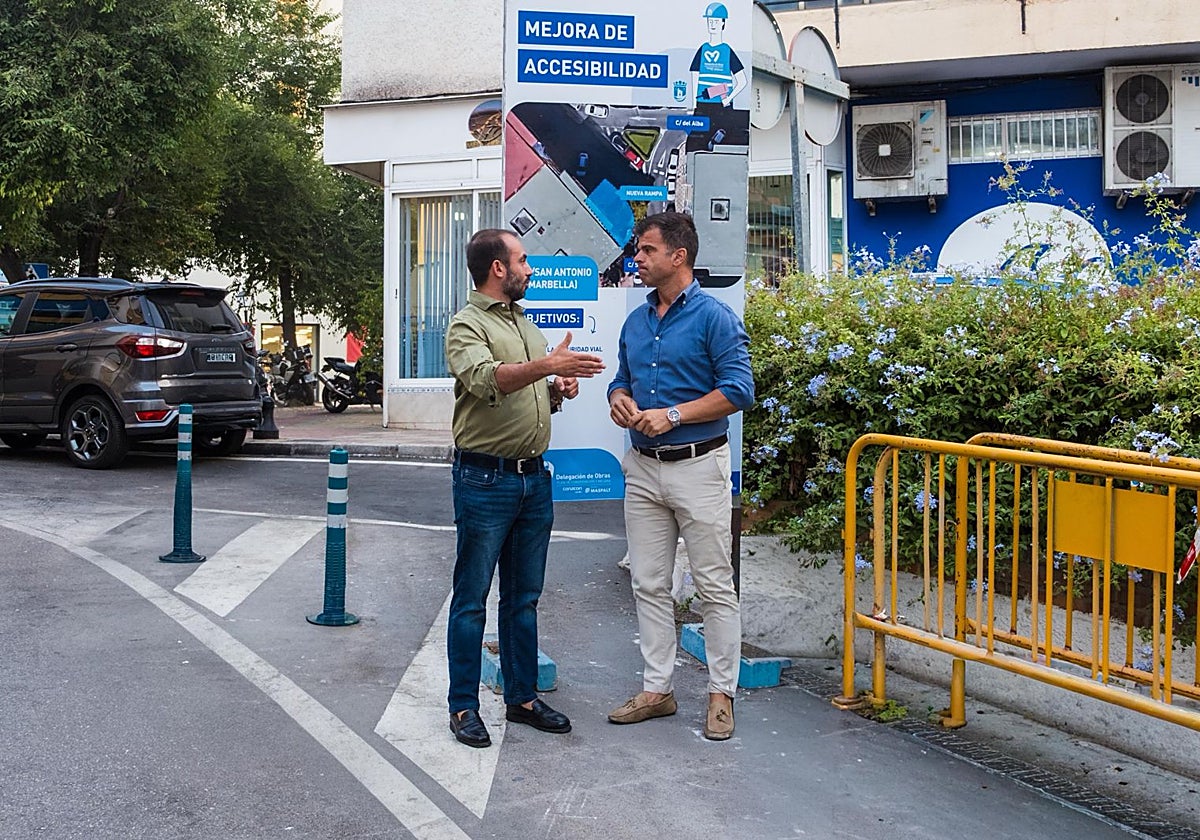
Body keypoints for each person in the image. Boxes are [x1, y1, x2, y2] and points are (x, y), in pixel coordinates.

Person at [443, 228, 606, 748]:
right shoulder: (466, 326)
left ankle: (523, 698)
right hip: (484, 478)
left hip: (533, 479)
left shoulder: (525, 324)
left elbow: (531, 390)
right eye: (523, 259)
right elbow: (489, 380)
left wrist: (557, 389)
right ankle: (463, 707)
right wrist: (547, 366)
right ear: (498, 268)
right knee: (472, 599)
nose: (530, 268)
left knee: (524, 598)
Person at [606, 211, 754, 741]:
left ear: (678, 256)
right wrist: (619, 399)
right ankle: (657, 690)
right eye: (637, 251)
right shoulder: (636, 321)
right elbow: (620, 378)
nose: (637, 259)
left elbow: (739, 390)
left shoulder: (715, 317)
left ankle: (721, 696)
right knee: (648, 583)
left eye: (646, 251)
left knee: (715, 586)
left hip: (698, 466)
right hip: (643, 468)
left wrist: (671, 414)